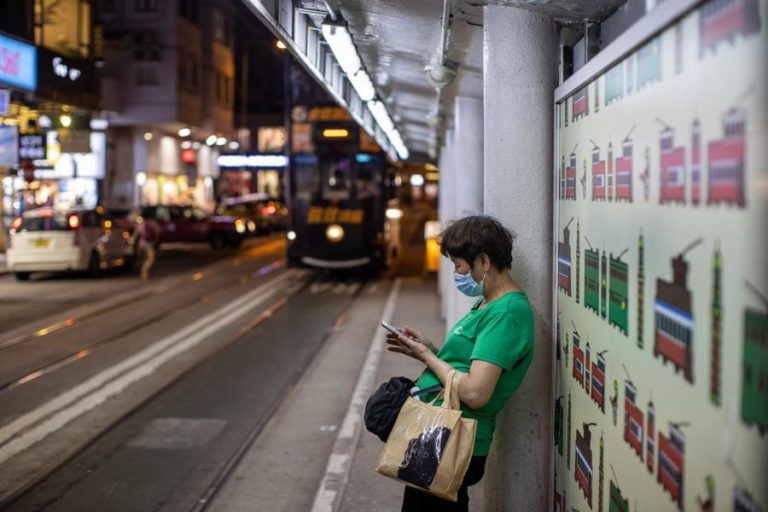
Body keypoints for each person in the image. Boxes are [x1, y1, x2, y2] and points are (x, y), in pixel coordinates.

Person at [385, 215, 535, 512]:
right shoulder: (488, 303)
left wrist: (425, 357)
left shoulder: (506, 313)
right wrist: (427, 348)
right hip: (440, 435)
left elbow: (475, 392)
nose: (456, 273)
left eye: (458, 265)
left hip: (454, 441)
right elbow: (466, 367)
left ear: (483, 261)